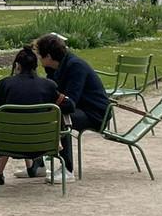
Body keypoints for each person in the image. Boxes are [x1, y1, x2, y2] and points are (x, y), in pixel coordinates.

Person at [0, 47, 75, 185]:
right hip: (43, 144)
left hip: (9, 144)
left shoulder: (1, 85)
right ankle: (60, 166)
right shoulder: (48, 86)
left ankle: (0, 172)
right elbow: (70, 106)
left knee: (8, 127)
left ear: (17, 66)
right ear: (35, 66)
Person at [29, 33, 110, 180]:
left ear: (48, 56)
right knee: (43, 114)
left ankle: (67, 169)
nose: (38, 58)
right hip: (81, 108)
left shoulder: (75, 66)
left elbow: (70, 102)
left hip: (95, 114)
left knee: (59, 116)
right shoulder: (56, 67)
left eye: (40, 55)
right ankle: (38, 165)